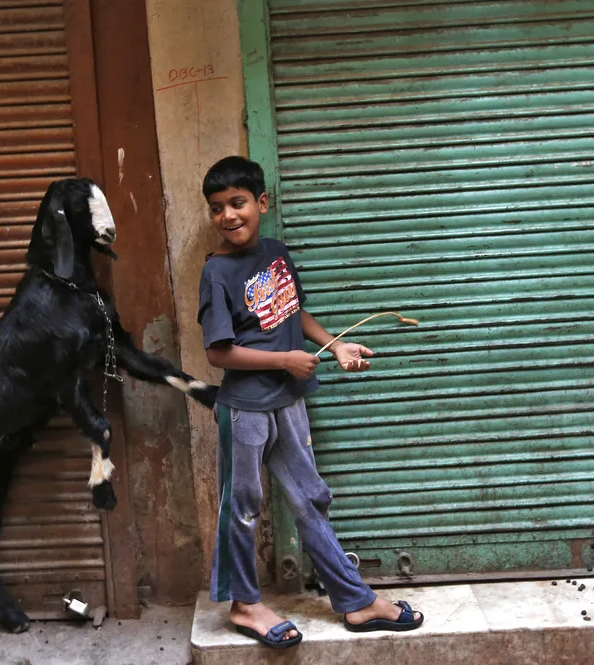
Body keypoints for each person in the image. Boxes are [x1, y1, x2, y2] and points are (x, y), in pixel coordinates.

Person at [196, 156, 424, 649]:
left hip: (289, 401)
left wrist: (336, 345)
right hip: (245, 410)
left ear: (262, 203)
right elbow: (218, 353)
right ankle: (244, 605)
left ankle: (354, 600)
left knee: (310, 499)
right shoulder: (216, 272)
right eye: (216, 208)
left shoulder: (276, 253)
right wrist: (285, 360)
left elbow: (293, 313)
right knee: (242, 506)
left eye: (238, 203)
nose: (228, 215)